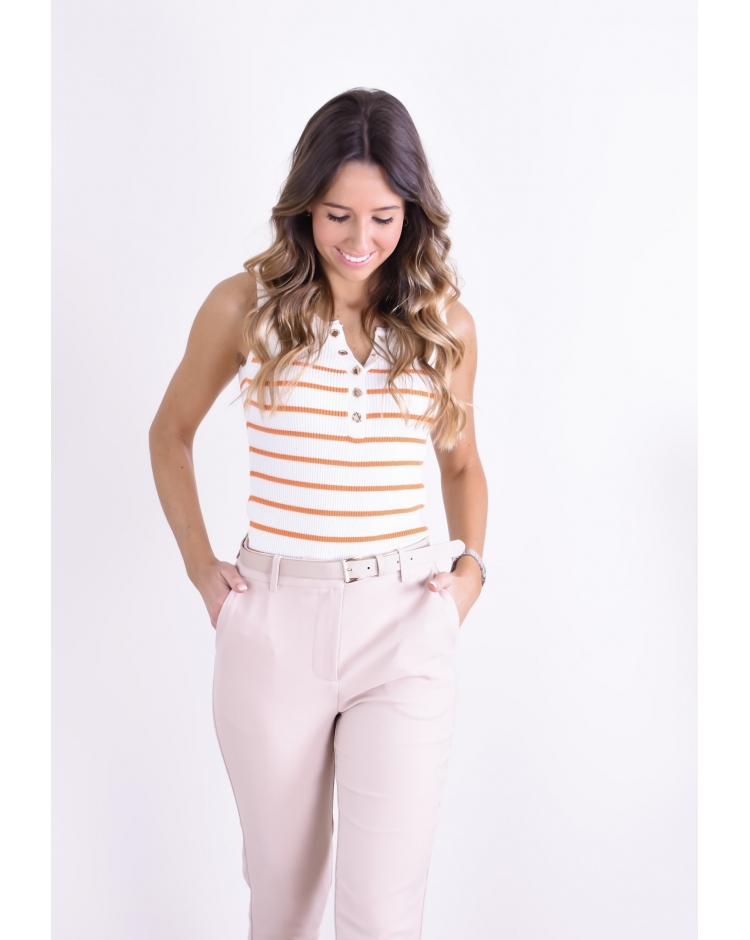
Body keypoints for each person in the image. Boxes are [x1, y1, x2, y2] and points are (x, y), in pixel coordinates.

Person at [149, 88, 488, 940]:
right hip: (273, 624)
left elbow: (460, 463)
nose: (360, 239)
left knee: (382, 916)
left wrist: (469, 574)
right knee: (285, 909)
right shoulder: (245, 306)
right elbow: (170, 433)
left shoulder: (444, 324)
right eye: (338, 215)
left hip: (404, 626)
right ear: (305, 204)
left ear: (412, 212)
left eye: (383, 217)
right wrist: (203, 573)